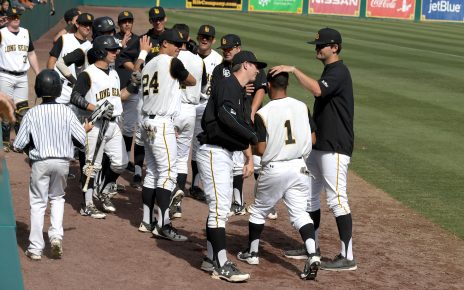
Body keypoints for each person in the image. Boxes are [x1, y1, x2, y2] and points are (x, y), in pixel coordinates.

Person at [272, 27, 357, 271]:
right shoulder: (330, 70)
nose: (317, 48)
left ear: (335, 48)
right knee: (308, 196)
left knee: (337, 199)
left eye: (322, 45)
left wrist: (294, 70)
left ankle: (347, 256)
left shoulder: (339, 71)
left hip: (336, 147)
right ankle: (312, 246)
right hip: (319, 145)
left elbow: (318, 90)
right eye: (316, 45)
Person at [236, 71, 320, 280]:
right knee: (300, 214)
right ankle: (312, 253)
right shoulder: (302, 106)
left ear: (269, 85)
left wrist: (248, 147)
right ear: (287, 83)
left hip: (275, 169)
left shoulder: (265, 112)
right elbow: (313, 139)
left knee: (258, 211)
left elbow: (262, 149)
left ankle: (253, 253)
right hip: (300, 168)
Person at [196, 51, 265, 282]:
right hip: (215, 152)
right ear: (245, 65)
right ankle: (222, 264)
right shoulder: (228, 84)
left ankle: (210, 257)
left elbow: (235, 122)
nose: (258, 70)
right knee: (219, 209)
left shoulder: (236, 89)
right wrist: (252, 136)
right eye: (256, 66)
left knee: (220, 208)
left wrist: (248, 156)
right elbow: (226, 116)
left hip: (223, 153)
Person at [12, 69, 89, 260]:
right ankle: (55, 237)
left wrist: (31, 150)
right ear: (58, 90)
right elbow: (82, 141)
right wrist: (84, 129)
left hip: (40, 162)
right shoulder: (67, 111)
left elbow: (18, 145)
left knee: (38, 203)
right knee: (57, 198)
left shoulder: (32, 113)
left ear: (38, 90)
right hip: (63, 163)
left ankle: (36, 248)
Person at [70, 35, 139, 218]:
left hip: (113, 124)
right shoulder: (88, 73)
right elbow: (75, 97)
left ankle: (103, 188)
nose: (117, 52)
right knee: (91, 167)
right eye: (112, 50)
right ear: (101, 51)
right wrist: (97, 108)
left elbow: (119, 96)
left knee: (121, 162)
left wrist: (133, 85)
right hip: (95, 125)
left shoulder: (114, 73)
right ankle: (88, 204)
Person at [138, 28, 196, 239]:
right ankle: (163, 224)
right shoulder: (172, 63)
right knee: (168, 174)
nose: (179, 48)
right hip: (162, 123)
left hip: (146, 121)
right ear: (164, 44)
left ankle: (146, 220)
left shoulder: (148, 64)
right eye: (175, 44)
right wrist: (177, 80)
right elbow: (192, 81)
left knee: (153, 171)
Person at [210, 34, 267, 217]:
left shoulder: (252, 66)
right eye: (224, 49)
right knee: (236, 161)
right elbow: (222, 94)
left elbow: (260, 89)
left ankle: (265, 203)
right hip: (234, 121)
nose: (227, 52)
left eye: (230, 49)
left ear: (238, 49)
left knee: (259, 160)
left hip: (251, 118)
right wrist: (241, 90)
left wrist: (252, 111)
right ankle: (236, 201)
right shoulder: (220, 70)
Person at [118, 6, 168, 190]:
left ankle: (163, 171)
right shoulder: (144, 39)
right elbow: (122, 58)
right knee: (140, 133)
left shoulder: (172, 38)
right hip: (145, 92)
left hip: (166, 93)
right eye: (155, 19)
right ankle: (138, 172)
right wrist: (139, 71)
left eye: (160, 18)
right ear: (150, 21)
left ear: (165, 19)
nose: (158, 22)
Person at [169, 23, 205, 219]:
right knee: (182, 158)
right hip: (191, 111)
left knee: (167, 157)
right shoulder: (199, 60)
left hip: (174, 109)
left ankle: (165, 196)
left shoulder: (171, 58)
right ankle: (178, 202)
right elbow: (203, 84)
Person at [189, 24, 222, 202]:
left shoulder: (218, 60)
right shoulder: (189, 57)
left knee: (200, 147)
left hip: (207, 106)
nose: (204, 39)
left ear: (213, 41)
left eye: (208, 38)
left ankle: (195, 184)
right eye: (202, 36)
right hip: (188, 105)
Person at [0, 7, 40, 151]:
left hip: (22, 77)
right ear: (8, 18)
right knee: (7, 110)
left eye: (18, 16)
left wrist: (38, 72)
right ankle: (5, 142)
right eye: (13, 16)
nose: (16, 18)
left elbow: (31, 54)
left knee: (23, 112)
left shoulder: (25, 32)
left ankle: (19, 142)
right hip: (5, 76)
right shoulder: (1, 33)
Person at [114, 10, 141, 177]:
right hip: (115, 89)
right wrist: (120, 45)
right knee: (114, 126)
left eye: (129, 21)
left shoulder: (139, 40)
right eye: (124, 21)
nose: (127, 24)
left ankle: (124, 158)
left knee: (129, 127)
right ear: (119, 24)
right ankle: (115, 157)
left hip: (132, 89)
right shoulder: (113, 39)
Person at [47, 12, 94, 104]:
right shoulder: (64, 39)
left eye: (90, 25)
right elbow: (52, 61)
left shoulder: (90, 46)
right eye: (84, 24)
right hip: (61, 88)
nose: (88, 28)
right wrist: (50, 81)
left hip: (78, 90)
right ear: (77, 24)